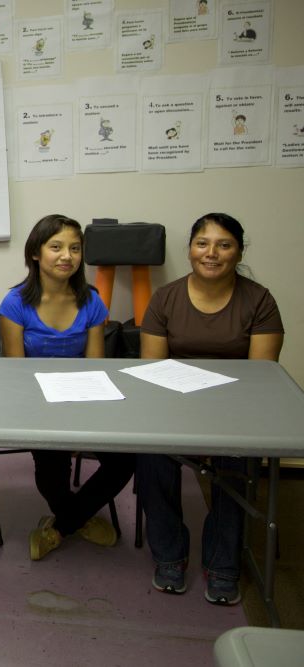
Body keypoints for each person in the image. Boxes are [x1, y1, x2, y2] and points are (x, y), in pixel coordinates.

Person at [137, 213, 283, 605]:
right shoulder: (166, 297)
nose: (211, 253)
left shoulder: (259, 300)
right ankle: (170, 555)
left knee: (235, 460)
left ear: (238, 251)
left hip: (235, 410)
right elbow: (153, 369)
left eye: (224, 244)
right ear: (190, 250)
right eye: (202, 243)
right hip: (174, 406)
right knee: (151, 457)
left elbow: (263, 377)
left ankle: (222, 564)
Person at [0, 214, 134, 561]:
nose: (66, 256)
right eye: (55, 247)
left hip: (83, 399)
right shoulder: (15, 303)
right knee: (50, 474)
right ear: (35, 254)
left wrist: (80, 420)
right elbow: (15, 372)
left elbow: (96, 367)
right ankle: (79, 518)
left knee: (125, 460)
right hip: (34, 402)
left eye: (74, 248)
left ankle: (62, 525)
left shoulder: (91, 301)